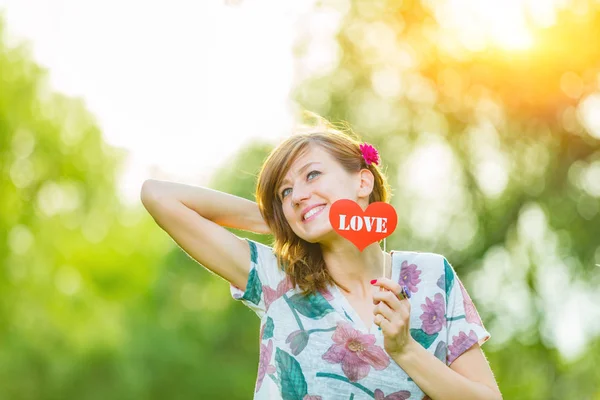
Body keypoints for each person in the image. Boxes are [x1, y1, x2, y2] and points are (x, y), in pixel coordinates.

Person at [140, 118, 502, 400]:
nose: (297, 194)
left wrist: (405, 348)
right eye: (285, 191)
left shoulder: (430, 276)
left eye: (312, 175)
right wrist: (286, 220)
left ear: (362, 182)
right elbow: (158, 196)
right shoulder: (275, 279)